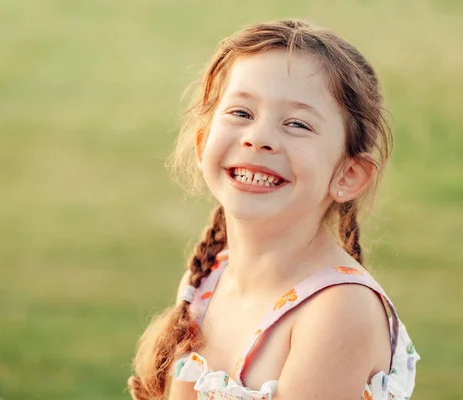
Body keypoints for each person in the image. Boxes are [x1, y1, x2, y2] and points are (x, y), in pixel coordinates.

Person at [128, 19, 420, 400]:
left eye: (297, 124)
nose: (260, 138)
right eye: (241, 113)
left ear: (348, 174)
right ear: (203, 144)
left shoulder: (337, 311)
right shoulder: (212, 277)